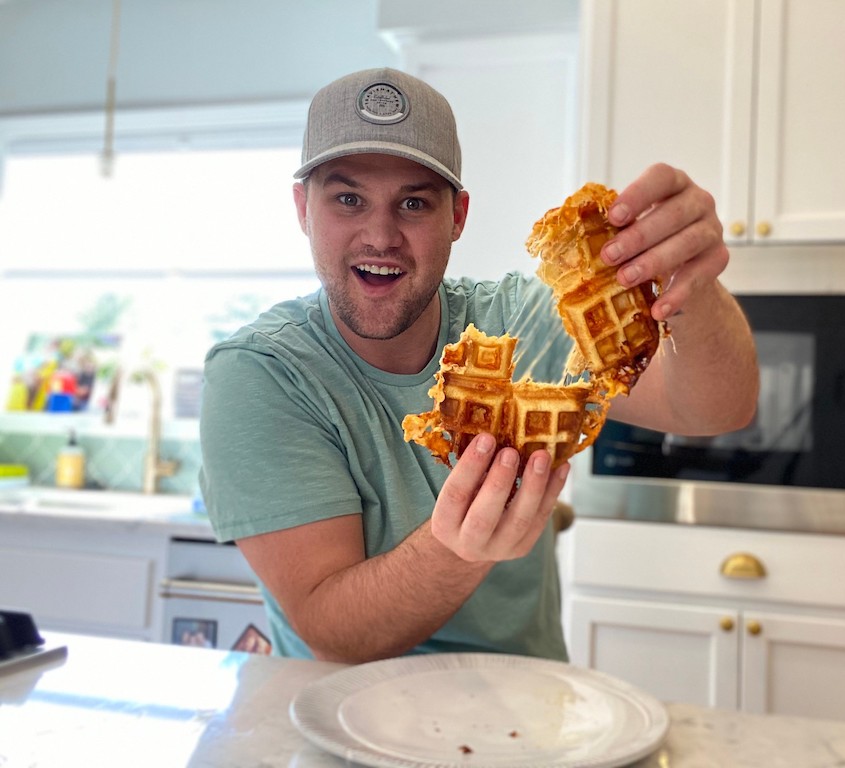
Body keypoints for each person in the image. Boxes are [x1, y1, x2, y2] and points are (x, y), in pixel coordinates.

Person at [199, 67, 759, 664]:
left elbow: (717, 408)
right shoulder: (261, 375)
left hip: (523, 721)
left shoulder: (526, 321)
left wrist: (689, 289)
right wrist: (460, 548)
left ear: (458, 216)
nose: (380, 235)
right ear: (303, 209)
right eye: (348, 199)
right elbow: (335, 631)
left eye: (414, 202)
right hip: (340, 728)